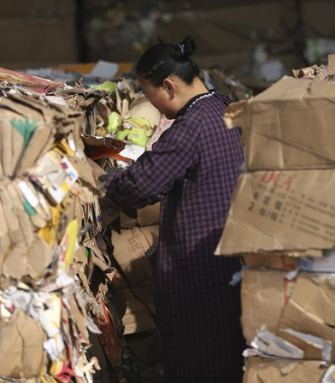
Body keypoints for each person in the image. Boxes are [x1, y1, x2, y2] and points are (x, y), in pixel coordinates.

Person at [103, 36, 246, 383]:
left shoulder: (190, 126)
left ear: (168, 86)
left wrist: (108, 182)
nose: (152, 105)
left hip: (198, 272)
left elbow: (141, 186)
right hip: (232, 262)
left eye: (149, 96)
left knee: (195, 365)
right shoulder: (226, 108)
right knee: (229, 360)